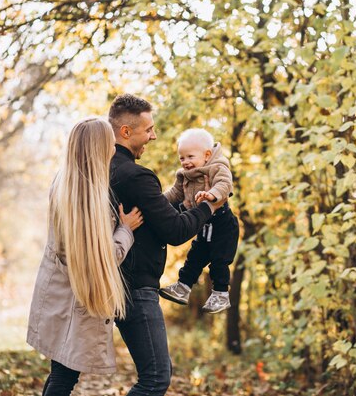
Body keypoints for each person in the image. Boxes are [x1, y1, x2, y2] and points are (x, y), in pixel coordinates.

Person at [108, 94, 223, 396]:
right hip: (136, 288)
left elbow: (162, 219)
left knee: (65, 372)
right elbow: (174, 230)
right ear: (126, 132)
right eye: (149, 129)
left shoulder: (103, 170)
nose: (154, 136)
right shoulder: (137, 176)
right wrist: (212, 205)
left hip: (112, 282)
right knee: (156, 377)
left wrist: (190, 205)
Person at [27, 118, 144, 396]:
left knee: (60, 371)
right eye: (110, 145)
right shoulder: (90, 200)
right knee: (64, 377)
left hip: (57, 290)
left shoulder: (63, 183)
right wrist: (126, 230)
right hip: (77, 298)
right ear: (100, 149)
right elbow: (105, 256)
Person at [159, 128, 239, 313]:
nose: (186, 162)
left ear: (207, 155)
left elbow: (225, 185)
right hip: (204, 226)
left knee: (219, 261)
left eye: (190, 157)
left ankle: (220, 294)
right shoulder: (184, 175)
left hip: (223, 225)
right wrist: (157, 201)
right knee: (194, 257)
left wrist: (211, 195)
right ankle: (183, 287)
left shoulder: (217, 167)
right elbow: (175, 194)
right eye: (182, 158)